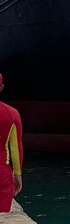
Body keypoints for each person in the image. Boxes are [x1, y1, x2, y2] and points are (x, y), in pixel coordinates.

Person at [0, 73, 23, 213]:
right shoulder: (12, 113)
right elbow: (15, 147)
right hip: (2, 174)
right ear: (1, 87)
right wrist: (17, 174)